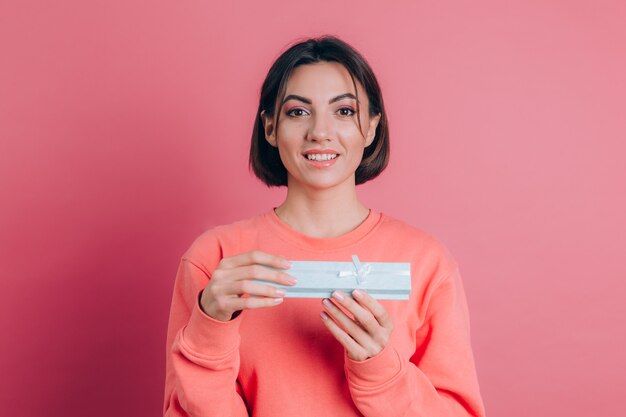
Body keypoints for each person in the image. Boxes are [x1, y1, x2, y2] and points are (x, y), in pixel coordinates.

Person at [163, 35, 485, 417]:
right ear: (270, 127)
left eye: (344, 112)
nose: (320, 131)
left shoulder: (427, 263)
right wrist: (209, 329)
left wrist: (382, 370)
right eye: (298, 112)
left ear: (371, 128)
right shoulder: (216, 260)